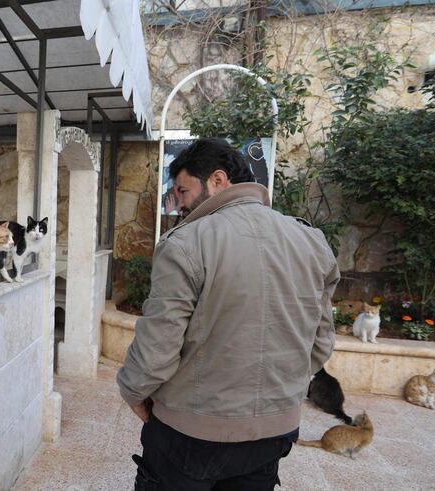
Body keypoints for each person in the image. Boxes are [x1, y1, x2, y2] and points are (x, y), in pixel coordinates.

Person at [117, 138, 340, 490]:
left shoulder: (185, 242)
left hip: (191, 435)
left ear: (218, 181)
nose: (181, 204)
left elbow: (158, 346)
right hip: (275, 432)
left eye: (183, 190)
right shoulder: (311, 241)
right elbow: (321, 342)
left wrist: (133, 391)